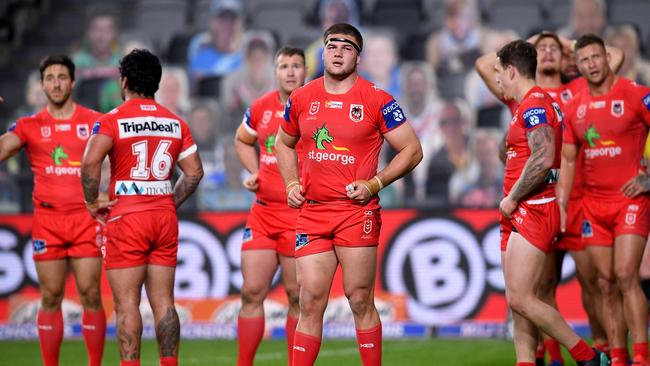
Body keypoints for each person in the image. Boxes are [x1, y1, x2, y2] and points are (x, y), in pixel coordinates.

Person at [275, 23, 423, 366]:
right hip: (312, 212)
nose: (338, 51)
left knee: (359, 299)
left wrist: (375, 184)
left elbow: (412, 151)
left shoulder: (377, 99)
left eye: (347, 46)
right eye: (332, 45)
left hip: (356, 212)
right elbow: (283, 142)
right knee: (309, 299)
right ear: (323, 52)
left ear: (358, 56)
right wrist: (291, 184)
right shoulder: (302, 97)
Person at [81, 49, 204, 366]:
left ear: (124, 82)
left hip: (127, 216)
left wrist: (92, 200)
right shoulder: (175, 122)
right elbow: (194, 172)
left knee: (126, 304)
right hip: (163, 217)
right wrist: (169, 201)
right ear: (157, 84)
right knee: (164, 302)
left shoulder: (113, 119)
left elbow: (90, 163)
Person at [493, 39, 606, 366]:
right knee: (518, 302)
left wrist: (513, 197)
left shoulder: (535, 106)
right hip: (520, 209)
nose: (497, 79)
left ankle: (588, 356)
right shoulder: (525, 105)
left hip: (534, 207)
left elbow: (543, 158)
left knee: (522, 298)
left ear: (512, 71)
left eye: (501, 72)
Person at [0, 55, 106, 366]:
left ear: (73, 82)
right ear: (42, 84)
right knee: (50, 297)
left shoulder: (94, 121)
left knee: (90, 295)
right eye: (50, 77)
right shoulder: (30, 126)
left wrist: (108, 191)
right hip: (48, 221)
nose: (56, 83)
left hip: (85, 218)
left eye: (62, 77)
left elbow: (118, 157)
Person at [558, 34, 650, 366]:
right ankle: (618, 357)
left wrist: (648, 179)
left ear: (607, 58)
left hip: (630, 201)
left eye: (596, 57)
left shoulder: (636, 93)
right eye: (584, 60)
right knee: (605, 284)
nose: (591, 64)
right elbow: (568, 161)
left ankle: (641, 355)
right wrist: (562, 205)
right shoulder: (574, 105)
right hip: (593, 209)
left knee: (626, 276)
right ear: (578, 65)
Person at [234, 46, 307, 366]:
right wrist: (253, 171)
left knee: (296, 296)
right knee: (251, 292)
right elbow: (241, 139)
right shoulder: (261, 107)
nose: (290, 72)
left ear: (305, 71)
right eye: (283, 66)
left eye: (296, 66)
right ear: (274, 72)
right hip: (262, 212)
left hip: (299, 215)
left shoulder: (315, 108)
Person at [187, 0, 245, 85]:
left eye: (232, 18)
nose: (227, 24)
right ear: (213, 22)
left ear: (239, 23)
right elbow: (194, 89)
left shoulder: (248, 56)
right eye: (222, 18)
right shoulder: (200, 52)